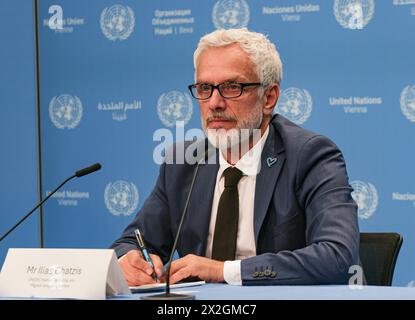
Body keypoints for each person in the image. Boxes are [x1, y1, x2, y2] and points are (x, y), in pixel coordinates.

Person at [111, 28, 360, 286]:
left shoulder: (309, 156)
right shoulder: (183, 163)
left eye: (232, 87)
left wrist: (224, 271)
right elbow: (131, 242)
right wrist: (128, 261)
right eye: (205, 87)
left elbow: (338, 256)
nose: (214, 103)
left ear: (269, 98)